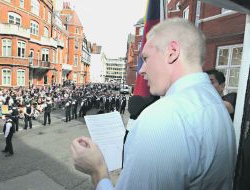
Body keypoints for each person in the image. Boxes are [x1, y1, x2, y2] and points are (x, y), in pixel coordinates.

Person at [71, 18, 236, 190]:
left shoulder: (164, 116)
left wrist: (97, 171)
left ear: (172, 53)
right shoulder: (216, 102)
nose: (141, 70)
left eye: (146, 58)